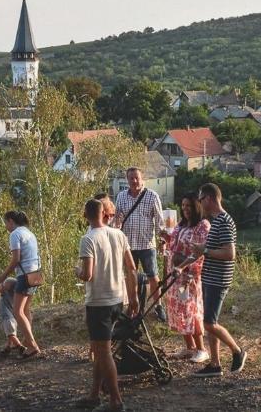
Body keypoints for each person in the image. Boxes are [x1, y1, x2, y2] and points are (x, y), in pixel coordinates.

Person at [74, 199, 139, 412]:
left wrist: (77, 271)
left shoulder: (88, 239)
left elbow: (88, 274)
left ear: (86, 215)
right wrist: (134, 296)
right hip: (117, 299)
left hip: (98, 302)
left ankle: (116, 400)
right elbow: (131, 268)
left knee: (103, 351)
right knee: (102, 349)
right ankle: (94, 395)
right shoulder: (118, 235)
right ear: (104, 214)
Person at [190, 183, 247, 377]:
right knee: (211, 321)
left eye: (201, 199)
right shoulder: (217, 221)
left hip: (218, 279)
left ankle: (238, 351)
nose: (200, 203)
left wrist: (204, 250)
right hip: (210, 277)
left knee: (209, 324)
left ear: (210, 198)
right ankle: (215, 364)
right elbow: (215, 246)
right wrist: (201, 248)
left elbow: (229, 253)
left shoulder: (224, 221)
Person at [114, 167, 166, 321]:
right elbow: (117, 218)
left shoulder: (152, 196)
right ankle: (133, 307)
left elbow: (160, 222)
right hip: (128, 246)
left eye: (136, 178)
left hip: (147, 244)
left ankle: (158, 306)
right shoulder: (121, 197)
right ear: (127, 180)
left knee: (153, 276)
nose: (134, 181)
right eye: (131, 178)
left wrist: (162, 241)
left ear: (142, 179)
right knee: (131, 277)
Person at [165, 193, 211, 364]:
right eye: (183, 206)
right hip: (176, 274)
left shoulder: (202, 226)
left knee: (191, 310)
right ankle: (189, 346)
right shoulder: (181, 225)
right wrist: (166, 237)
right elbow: (174, 245)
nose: (185, 209)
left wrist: (189, 271)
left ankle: (201, 349)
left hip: (189, 275)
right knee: (179, 311)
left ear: (196, 207)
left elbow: (201, 253)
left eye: (189, 206)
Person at [0, 211, 41, 358]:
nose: (5, 226)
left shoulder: (15, 234)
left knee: (18, 311)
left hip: (25, 275)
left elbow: (16, 259)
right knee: (26, 310)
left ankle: (32, 345)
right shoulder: (29, 232)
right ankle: (28, 343)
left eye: (5, 223)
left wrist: (3, 275)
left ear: (10, 221)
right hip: (36, 274)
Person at [0, 277, 26, 356]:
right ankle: (8, 347)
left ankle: (20, 346)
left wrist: (0, 281)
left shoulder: (5, 293)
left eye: (4, 285)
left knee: (10, 334)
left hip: (7, 317)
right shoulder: (15, 295)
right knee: (10, 333)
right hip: (12, 318)